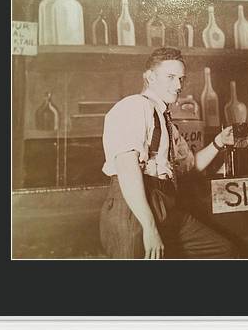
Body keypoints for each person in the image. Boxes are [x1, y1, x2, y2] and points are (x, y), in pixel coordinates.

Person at [100, 47, 236, 259]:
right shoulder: (133, 106)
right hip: (133, 208)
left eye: (181, 78)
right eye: (171, 77)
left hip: (164, 203)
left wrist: (219, 142)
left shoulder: (167, 122)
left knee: (222, 250)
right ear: (150, 77)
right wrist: (150, 227)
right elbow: (127, 167)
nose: (178, 85)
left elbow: (189, 166)